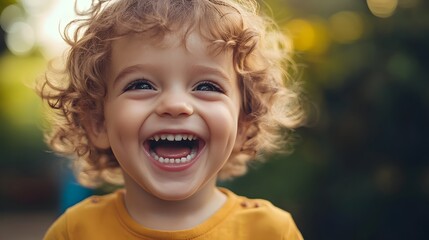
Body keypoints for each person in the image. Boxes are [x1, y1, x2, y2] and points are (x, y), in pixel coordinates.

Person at [38, 0, 306, 239]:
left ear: (242, 124)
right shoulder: (75, 232)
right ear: (98, 122)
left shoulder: (270, 232)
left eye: (207, 87)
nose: (176, 105)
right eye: (141, 85)